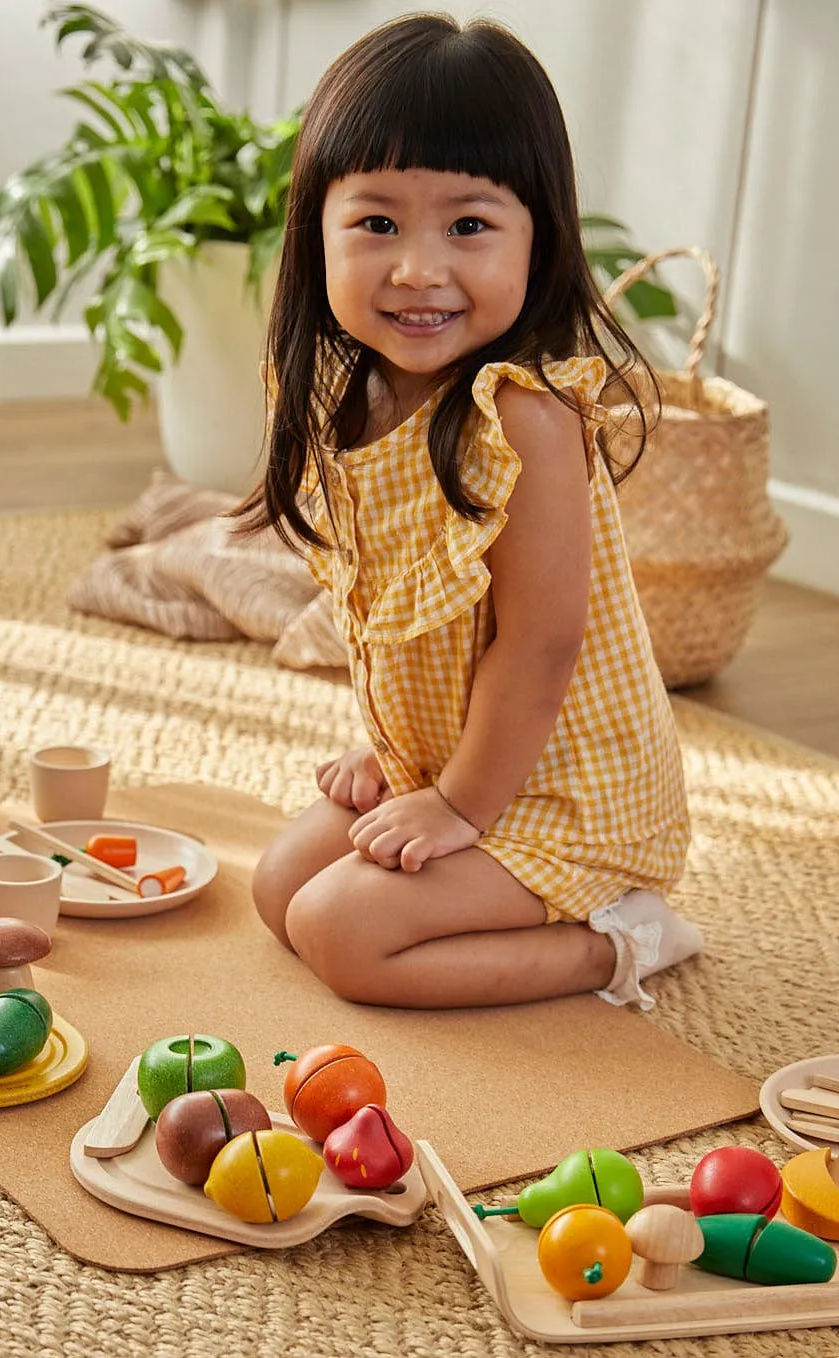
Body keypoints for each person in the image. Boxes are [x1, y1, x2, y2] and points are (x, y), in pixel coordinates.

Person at [236, 12, 703, 1010]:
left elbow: (540, 642)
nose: (416, 268)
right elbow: (411, 616)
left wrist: (456, 802)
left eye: (468, 225)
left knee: (338, 933)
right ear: (315, 229)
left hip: (564, 794)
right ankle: (456, 811)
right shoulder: (344, 394)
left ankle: (617, 937)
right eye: (376, 223)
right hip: (460, 755)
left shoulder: (522, 418)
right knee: (276, 890)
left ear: (539, 236)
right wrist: (396, 747)